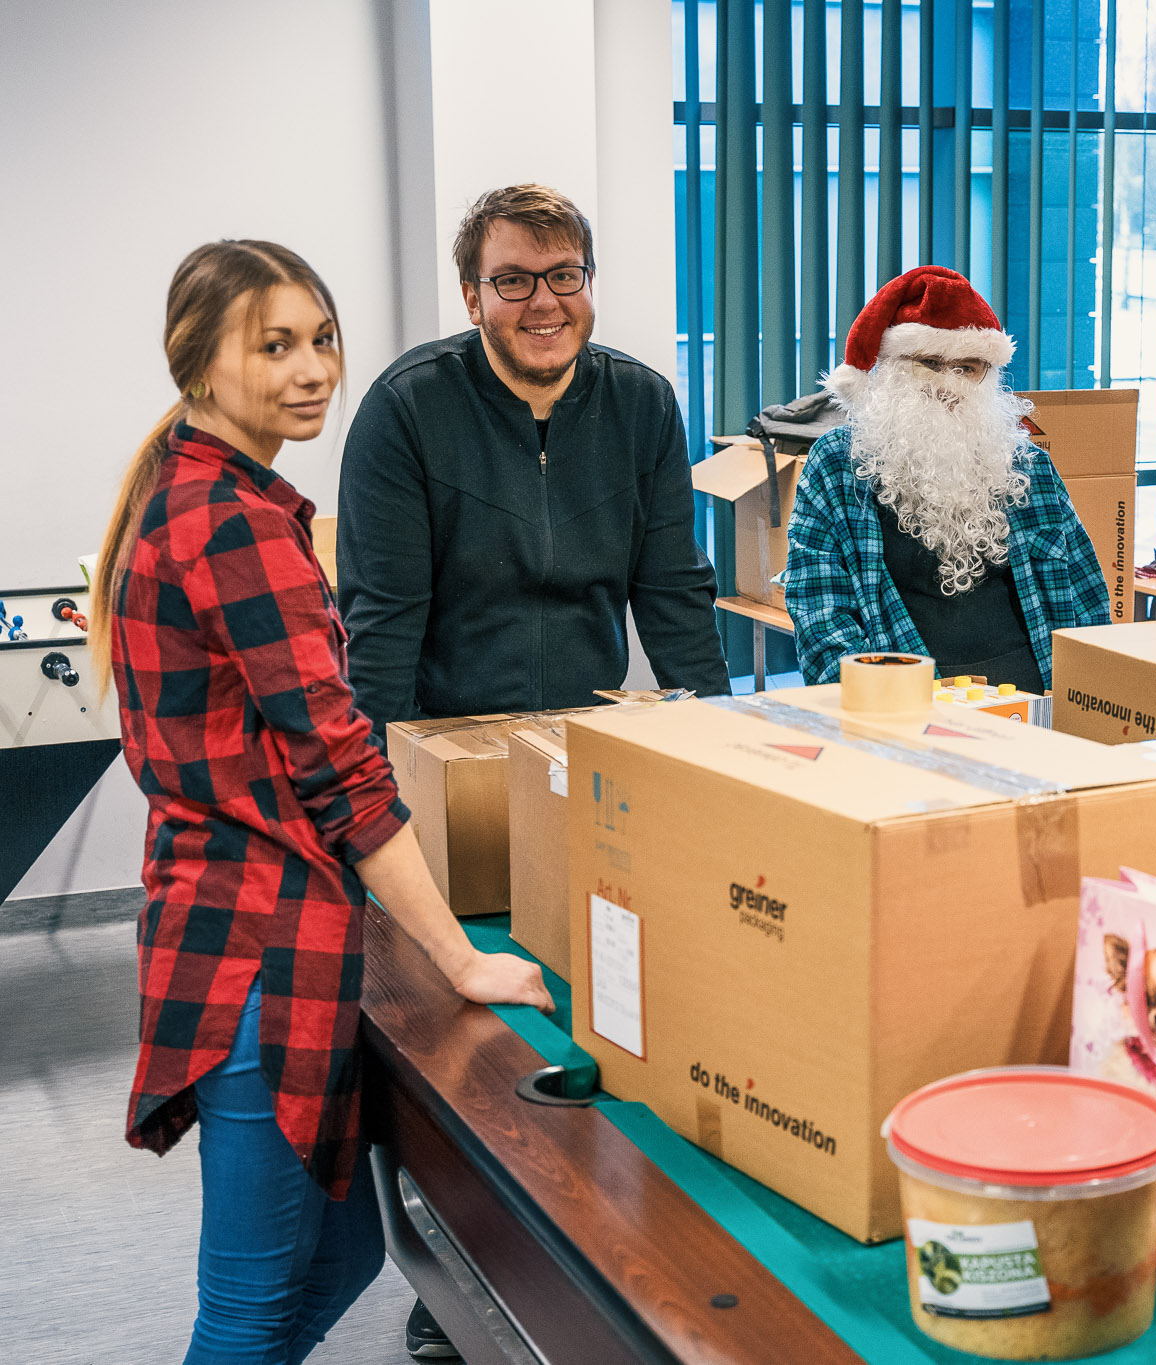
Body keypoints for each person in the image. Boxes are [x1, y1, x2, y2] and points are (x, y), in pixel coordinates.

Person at [91, 240, 552, 1365]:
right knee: (246, 1306)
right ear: (197, 363)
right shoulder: (233, 522)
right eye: (274, 346)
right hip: (250, 946)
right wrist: (458, 959)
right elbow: (342, 768)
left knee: (349, 1249)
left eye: (322, 339)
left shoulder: (207, 491)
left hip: (261, 925)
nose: (312, 370)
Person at [338, 183, 728, 735]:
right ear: (473, 299)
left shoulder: (643, 402)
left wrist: (720, 739)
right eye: (513, 281)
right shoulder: (407, 406)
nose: (545, 302)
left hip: (587, 733)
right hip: (446, 734)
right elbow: (382, 625)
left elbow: (676, 597)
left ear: (589, 282)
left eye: (565, 275)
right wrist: (386, 792)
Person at [785, 265, 1110, 689]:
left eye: (969, 368)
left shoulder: (1026, 466)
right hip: (903, 701)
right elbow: (821, 617)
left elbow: (1087, 598)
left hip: (1036, 699)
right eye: (932, 364)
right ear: (892, 366)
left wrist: (1093, 699)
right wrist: (874, 707)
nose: (951, 385)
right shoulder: (836, 465)